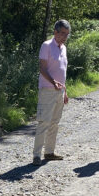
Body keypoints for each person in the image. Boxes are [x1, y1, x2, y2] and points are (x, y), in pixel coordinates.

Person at [32, 19, 71, 166]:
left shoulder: (64, 48)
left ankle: (49, 152)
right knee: (44, 122)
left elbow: (63, 71)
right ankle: (36, 155)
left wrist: (64, 91)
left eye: (67, 34)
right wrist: (53, 82)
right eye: (62, 33)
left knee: (55, 123)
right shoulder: (46, 45)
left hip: (60, 91)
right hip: (47, 90)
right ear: (55, 32)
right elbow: (42, 68)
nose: (64, 36)